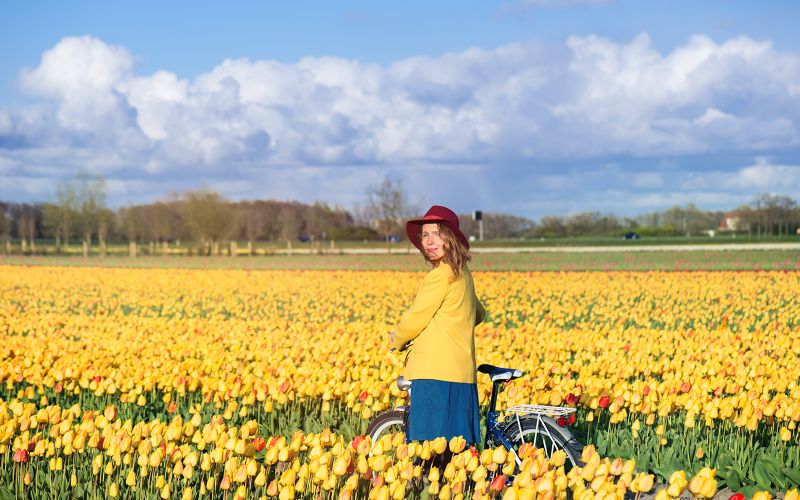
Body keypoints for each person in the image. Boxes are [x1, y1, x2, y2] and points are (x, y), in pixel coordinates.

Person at [390, 205, 486, 446]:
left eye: (436, 234)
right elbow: (479, 313)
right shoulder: (462, 273)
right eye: (425, 235)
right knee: (455, 451)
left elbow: (416, 317)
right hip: (462, 374)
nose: (429, 241)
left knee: (429, 451)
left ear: (450, 238)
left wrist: (397, 338)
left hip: (434, 374)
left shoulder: (440, 276)